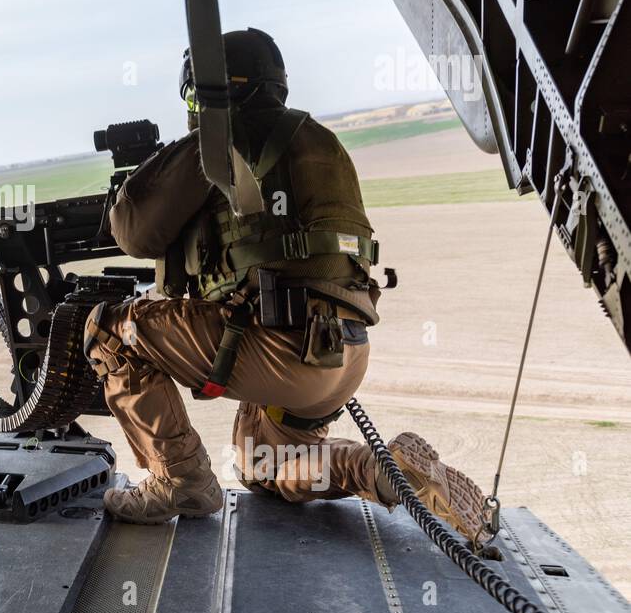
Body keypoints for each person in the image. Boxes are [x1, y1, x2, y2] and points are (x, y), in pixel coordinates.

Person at [83, 29, 487, 545]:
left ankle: (179, 482)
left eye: (193, 97)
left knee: (112, 331)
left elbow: (135, 231)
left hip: (280, 350)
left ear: (212, 92)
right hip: (343, 356)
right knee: (266, 466)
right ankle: (388, 473)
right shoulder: (319, 140)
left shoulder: (221, 142)